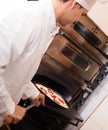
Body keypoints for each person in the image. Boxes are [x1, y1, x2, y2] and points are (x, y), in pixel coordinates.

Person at [0, 0, 103, 129]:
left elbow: (19, 67)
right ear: (74, 4)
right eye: (82, 14)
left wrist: (32, 93)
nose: (78, 20)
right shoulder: (26, 16)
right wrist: (9, 109)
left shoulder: (48, 25)